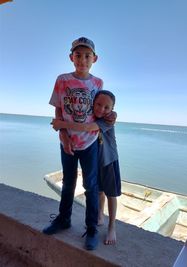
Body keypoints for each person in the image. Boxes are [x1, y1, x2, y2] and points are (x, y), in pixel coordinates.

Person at [43, 37, 103, 251]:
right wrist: (63, 136)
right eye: (78, 55)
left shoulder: (98, 84)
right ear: (71, 57)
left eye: (87, 55)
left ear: (94, 58)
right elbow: (58, 109)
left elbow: (102, 109)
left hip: (90, 143)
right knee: (68, 183)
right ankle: (63, 219)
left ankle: (92, 228)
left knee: (91, 186)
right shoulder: (62, 80)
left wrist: (111, 114)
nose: (82, 59)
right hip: (68, 141)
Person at [51, 90, 121, 246]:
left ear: (111, 109)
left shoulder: (107, 120)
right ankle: (100, 217)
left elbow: (87, 128)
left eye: (107, 108)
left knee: (111, 194)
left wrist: (61, 124)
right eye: (98, 104)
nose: (101, 109)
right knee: (98, 190)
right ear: (92, 103)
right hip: (95, 160)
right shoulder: (93, 115)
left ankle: (112, 226)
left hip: (109, 160)